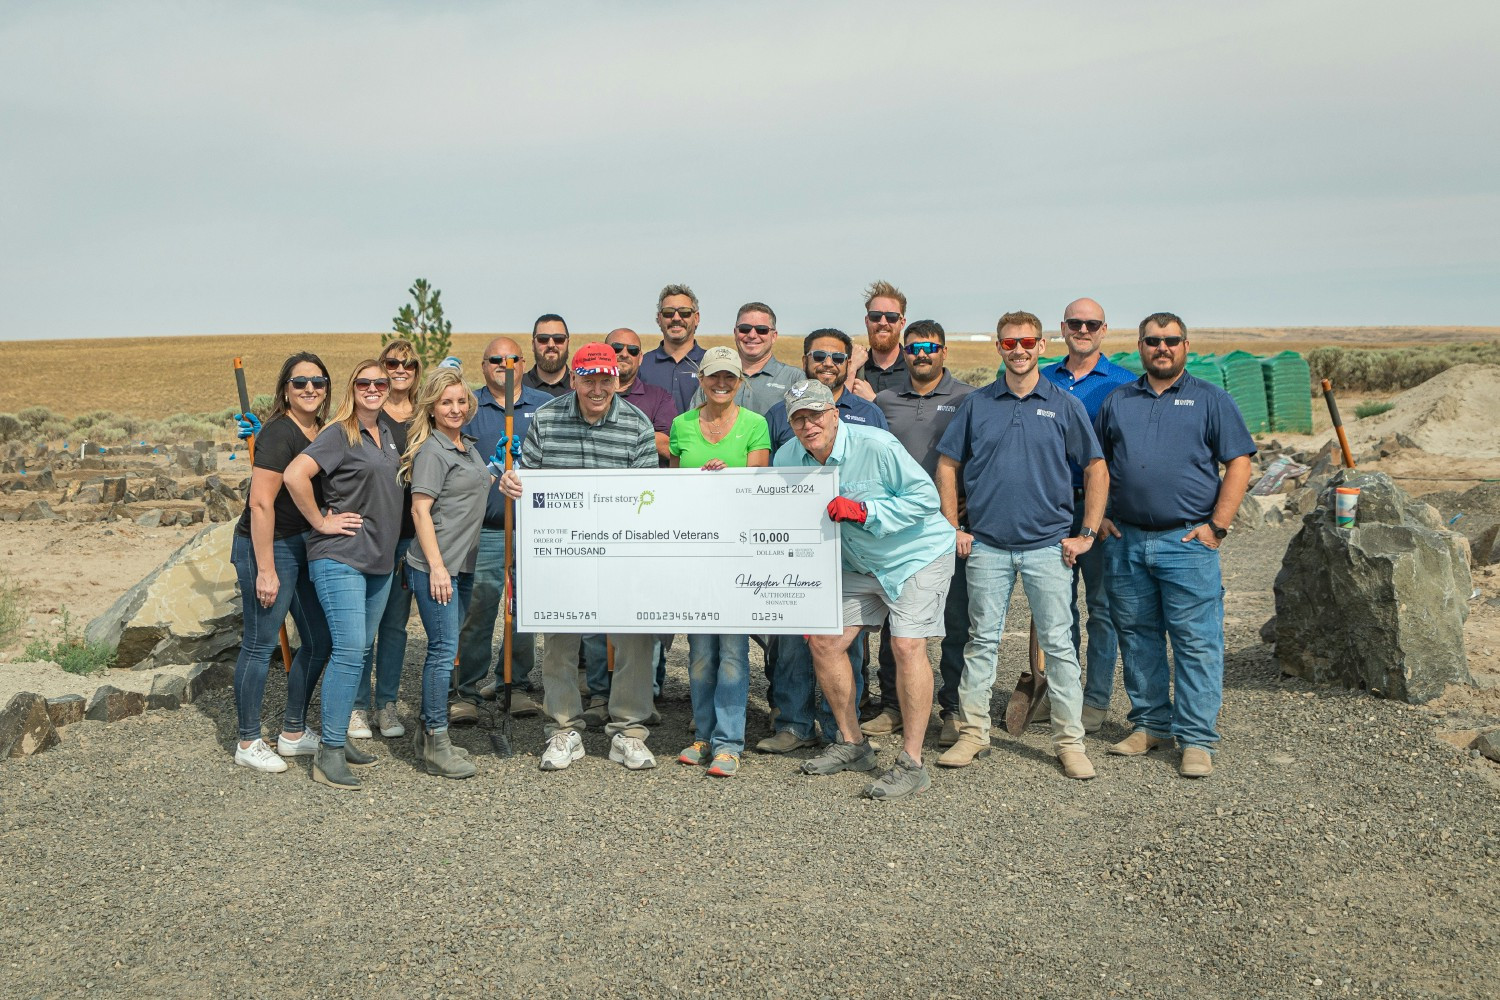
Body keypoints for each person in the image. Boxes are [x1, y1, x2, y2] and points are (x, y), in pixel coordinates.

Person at [935, 311, 1107, 779]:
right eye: (1009, 343)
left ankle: (1070, 743)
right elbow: (948, 465)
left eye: (1027, 342)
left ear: (1042, 345)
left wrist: (1086, 533)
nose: (1019, 350)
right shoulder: (977, 404)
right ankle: (973, 735)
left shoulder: (1064, 404)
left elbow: (1095, 467)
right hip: (987, 547)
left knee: (1060, 645)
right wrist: (953, 527)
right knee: (980, 642)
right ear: (998, 347)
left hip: (1048, 547)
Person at [774, 379, 955, 800]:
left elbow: (925, 500)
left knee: (908, 646)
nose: (808, 424)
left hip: (914, 555)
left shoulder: (877, 445)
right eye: (798, 418)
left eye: (815, 414)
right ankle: (853, 744)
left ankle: (912, 762)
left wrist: (865, 510)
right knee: (824, 642)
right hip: (856, 563)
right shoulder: (787, 456)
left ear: (834, 413)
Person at [1096, 312, 1255, 779]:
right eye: (1152, 341)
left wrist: (1218, 527)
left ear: (1186, 345)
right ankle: (1150, 725)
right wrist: (1099, 516)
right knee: (1137, 636)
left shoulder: (1211, 399)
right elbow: (1097, 464)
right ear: (1139, 346)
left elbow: (1239, 463)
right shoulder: (1118, 400)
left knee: (1196, 641)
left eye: (1170, 341)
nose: (1161, 348)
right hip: (1126, 541)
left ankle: (1197, 738)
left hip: (1187, 541)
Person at [498, 342, 661, 772]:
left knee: (633, 638)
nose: (597, 388)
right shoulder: (547, 420)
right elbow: (525, 475)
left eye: (605, 379)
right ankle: (564, 728)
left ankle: (628, 730)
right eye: (588, 379)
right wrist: (514, 483)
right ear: (574, 379)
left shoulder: (637, 425)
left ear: (617, 379)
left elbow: (647, 495)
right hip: (561, 554)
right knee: (560, 642)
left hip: (620, 551)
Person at [755, 329, 887, 755]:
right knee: (792, 640)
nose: (827, 362)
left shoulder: (868, 412)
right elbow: (771, 475)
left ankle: (838, 729)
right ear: (806, 359)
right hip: (797, 544)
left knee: (844, 644)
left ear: (849, 362)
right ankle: (793, 723)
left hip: (850, 547)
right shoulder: (778, 413)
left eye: (837, 356)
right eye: (819, 355)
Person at [283, 360, 405, 790]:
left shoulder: (386, 433)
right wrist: (320, 521)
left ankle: (337, 736)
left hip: (378, 561)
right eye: (364, 382)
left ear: (390, 388)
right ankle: (329, 752)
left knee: (358, 649)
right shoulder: (339, 433)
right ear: (352, 387)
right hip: (340, 556)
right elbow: (294, 474)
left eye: (380, 382)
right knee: (350, 650)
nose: (373, 388)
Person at [865, 320, 975, 749]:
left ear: (944, 351)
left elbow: (978, 455)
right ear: (904, 354)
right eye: (913, 348)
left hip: (947, 527)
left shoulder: (968, 398)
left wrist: (964, 507)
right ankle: (894, 706)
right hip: (897, 532)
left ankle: (951, 709)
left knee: (953, 621)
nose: (921, 354)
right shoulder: (885, 401)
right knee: (898, 623)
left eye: (930, 347)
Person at [228, 352, 334, 773]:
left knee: (320, 640)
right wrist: (266, 568)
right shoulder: (277, 432)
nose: (310, 389)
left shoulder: (322, 430)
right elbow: (260, 502)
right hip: (266, 547)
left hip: (303, 546)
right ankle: (248, 739)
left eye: (318, 381)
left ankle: (292, 731)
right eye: (300, 382)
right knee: (259, 642)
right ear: (285, 390)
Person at [669, 347, 771, 778]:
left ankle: (729, 741)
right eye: (714, 376)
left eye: (730, 376)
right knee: (699, 653)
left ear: (740, 381)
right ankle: (703, 735)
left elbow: (756, 491)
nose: (722, 383)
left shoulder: (755, 425)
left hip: (737, 554)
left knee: (731, 650)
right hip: (695, 554)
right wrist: (698, 484)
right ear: (702, 379)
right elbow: (675, 489)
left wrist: (725, 482)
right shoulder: (681, 425)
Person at [1040, 298, 1137, 732]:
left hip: (1098, 511)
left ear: (1104, 330)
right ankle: (1062, 693)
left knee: (1101, 607)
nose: (1083, 329)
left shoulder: (1124, 384)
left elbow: (1128, 456)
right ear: (1062, 328)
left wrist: (1108, 511)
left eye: (1091, 323)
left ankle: (1095, 701)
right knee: (1056, 609)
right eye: (1075, 323)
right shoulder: (1041, 380)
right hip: (1049, 509)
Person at [575, 329, 680, 725]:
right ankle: (600, 693)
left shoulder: (653, 402)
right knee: (591, 619)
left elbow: (665, 447)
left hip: (629, 528)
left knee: (635, 616)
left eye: (630, 350)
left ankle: (641, 697)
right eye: (615, 349)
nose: (622, 354)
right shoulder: (559, 414)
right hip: (581, 535)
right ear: (577, 380)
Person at [452, 338, 550, 724]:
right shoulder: (469, 407)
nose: (504, 366)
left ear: (524, 364)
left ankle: (517, 684)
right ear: (483, 365)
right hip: (486, 528)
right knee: (479, 608)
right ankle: (467, 690)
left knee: (522, 609)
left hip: (531, 529)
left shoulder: (543, 406)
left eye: (512, 359)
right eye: (496, 359)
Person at [400, 369, 490, 779]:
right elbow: (420, 509)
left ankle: (424, 731)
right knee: (441, 653)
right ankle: (437, 738)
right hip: (436, 567)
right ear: (432, 409)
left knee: (445, 650)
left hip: (461, 564)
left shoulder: (466, 448)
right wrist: (437, 568)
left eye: (460, 401)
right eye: (446, 403)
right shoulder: (433, 452)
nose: (455, 409)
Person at [351, 338, 422, 742]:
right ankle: (357, 706)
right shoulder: (365, 413)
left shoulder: (424, 414)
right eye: (392, 362)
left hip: (409, 534)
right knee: (364, 624)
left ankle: (387, 702)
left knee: (395, 624)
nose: (400, 369)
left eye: (409, 365)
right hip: (372, 532)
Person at [687, 302, 801, 414]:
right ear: (735, 333)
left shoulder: (794, 378)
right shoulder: (712, 379)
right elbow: (693, 423)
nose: (752, 335)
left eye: (761, 330)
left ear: (774, 336)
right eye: (744, 329)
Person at [638, 283, 707, 412]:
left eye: (684, 313)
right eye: (668, 312)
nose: (676, 318)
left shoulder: (710, 363)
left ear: (696, 318)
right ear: (659, 318)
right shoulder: (642, 365)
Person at [847, 279, 909, 400]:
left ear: (902, 323)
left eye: (891, 317)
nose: (883, 322)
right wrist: (851, 369)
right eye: (875, 316)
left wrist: (875, 401)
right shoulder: (856, 366)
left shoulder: (914, 368)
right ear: (866, 321)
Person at [524, 314, 573, 397]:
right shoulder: (518, 387)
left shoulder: (580, 388)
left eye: (559, 338)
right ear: (533, 344)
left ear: (568, 344)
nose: (551, 345)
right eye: (543, 339)